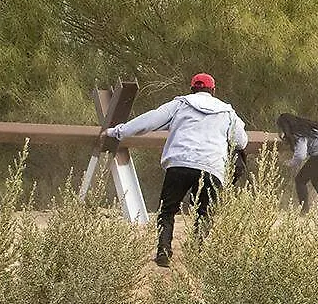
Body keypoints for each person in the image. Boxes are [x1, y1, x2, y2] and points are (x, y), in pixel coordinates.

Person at [105, 72, 247, 267]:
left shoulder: (180, 104)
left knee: (168, 210)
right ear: (213, 91)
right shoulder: (227, 112)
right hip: (212, 167)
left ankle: (163, 252)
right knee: (204, 213)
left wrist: (117, 131)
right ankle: (195, 253)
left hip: (180, 163)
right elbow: (241, 141)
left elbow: (149, 120)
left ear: (192, 89)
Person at [277, 113, 318, 213]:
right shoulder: (309, 126)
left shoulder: (299, 134)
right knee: (317, 180)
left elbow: (301, 155)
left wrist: (289, 163)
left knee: (300, 180)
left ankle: (304, 211)